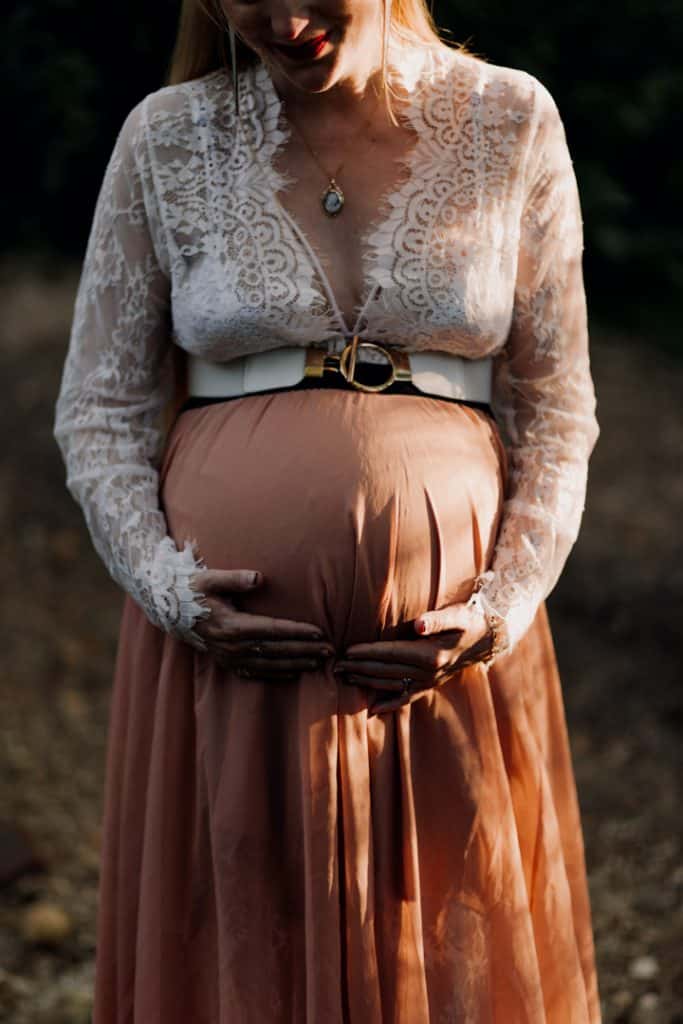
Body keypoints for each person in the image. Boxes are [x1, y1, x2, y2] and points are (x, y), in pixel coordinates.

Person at [52, 0, 602, 1018]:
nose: (280, 16)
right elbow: (99, 406)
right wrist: (166, 586)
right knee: (235, 938)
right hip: (225, 654)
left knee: (445, 947)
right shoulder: (166, 136)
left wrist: (500, 608)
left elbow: (556, 409)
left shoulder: (509, 119)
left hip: (447, 664)